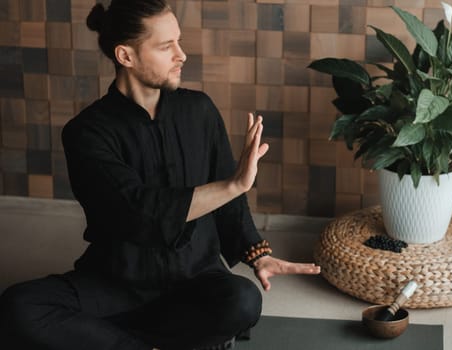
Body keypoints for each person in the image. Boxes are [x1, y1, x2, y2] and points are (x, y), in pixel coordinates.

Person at [0, 0, 321, 349]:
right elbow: (137, 210)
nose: (181, 55)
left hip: (195, 276)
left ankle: (115, 339)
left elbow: (228, 200)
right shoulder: (87, 132)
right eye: (166, 47)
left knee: (243, 300)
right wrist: (232, 184)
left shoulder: (199, 110)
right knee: (19, 307)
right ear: (126, 56)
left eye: (179, 42)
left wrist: (257, 253)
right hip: (118, 282)